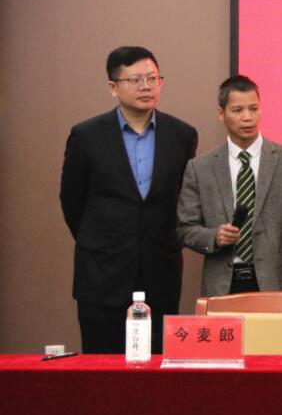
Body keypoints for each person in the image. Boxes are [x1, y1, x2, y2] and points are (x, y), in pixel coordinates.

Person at [60, 46, 198, 354]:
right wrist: (103, 241)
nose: (146, 86)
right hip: (102, 274)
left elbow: (182, 198)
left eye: (152, 78)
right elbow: (72, 201)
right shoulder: (86, 136)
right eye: (135, 80)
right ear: (113, 87)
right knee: (103, 367)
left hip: (160, 271)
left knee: (157, 366)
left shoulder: (182, 135)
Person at [177, 76, 282, 296]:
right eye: (238, 110)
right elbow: (185, 228)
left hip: (278, 284)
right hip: (222, 286)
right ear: (221, 113)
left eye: (254, 109)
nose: (247, 117)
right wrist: (215, 236)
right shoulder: (200, 168)